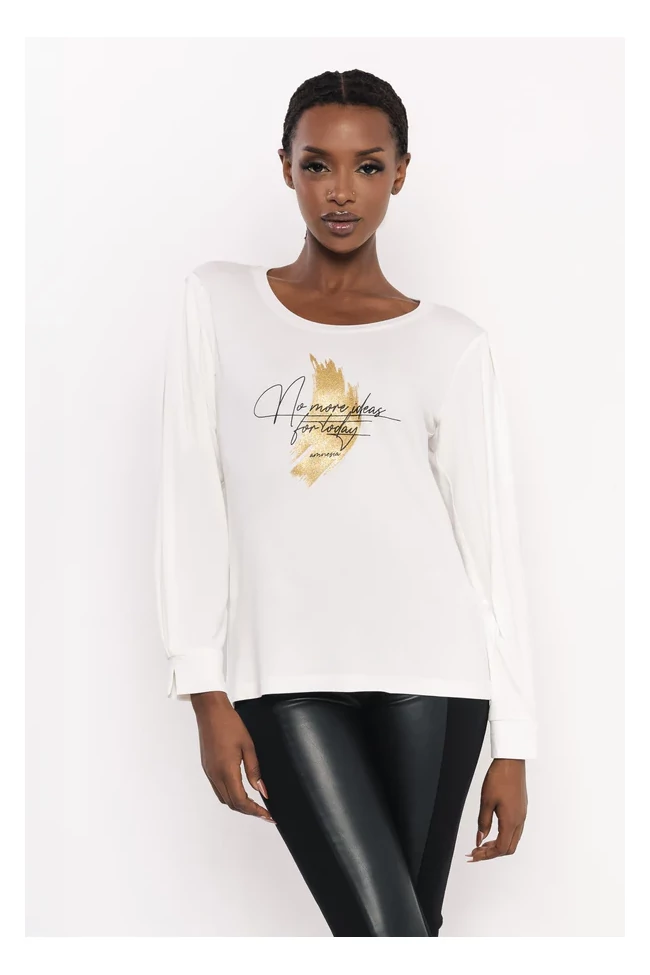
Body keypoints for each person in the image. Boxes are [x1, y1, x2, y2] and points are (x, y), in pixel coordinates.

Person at [154, 68, 537, 937]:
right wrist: (202, 686)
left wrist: (515, 741)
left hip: (435, 679)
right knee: (388, 934)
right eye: (317, 164)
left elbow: (491, 550)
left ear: (400, 172)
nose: (340, 191)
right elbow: (190, 492)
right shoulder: (218, 301)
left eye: (367, 166)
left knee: (402, 933)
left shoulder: (450, 343)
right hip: (286, 679)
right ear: (285, 166)